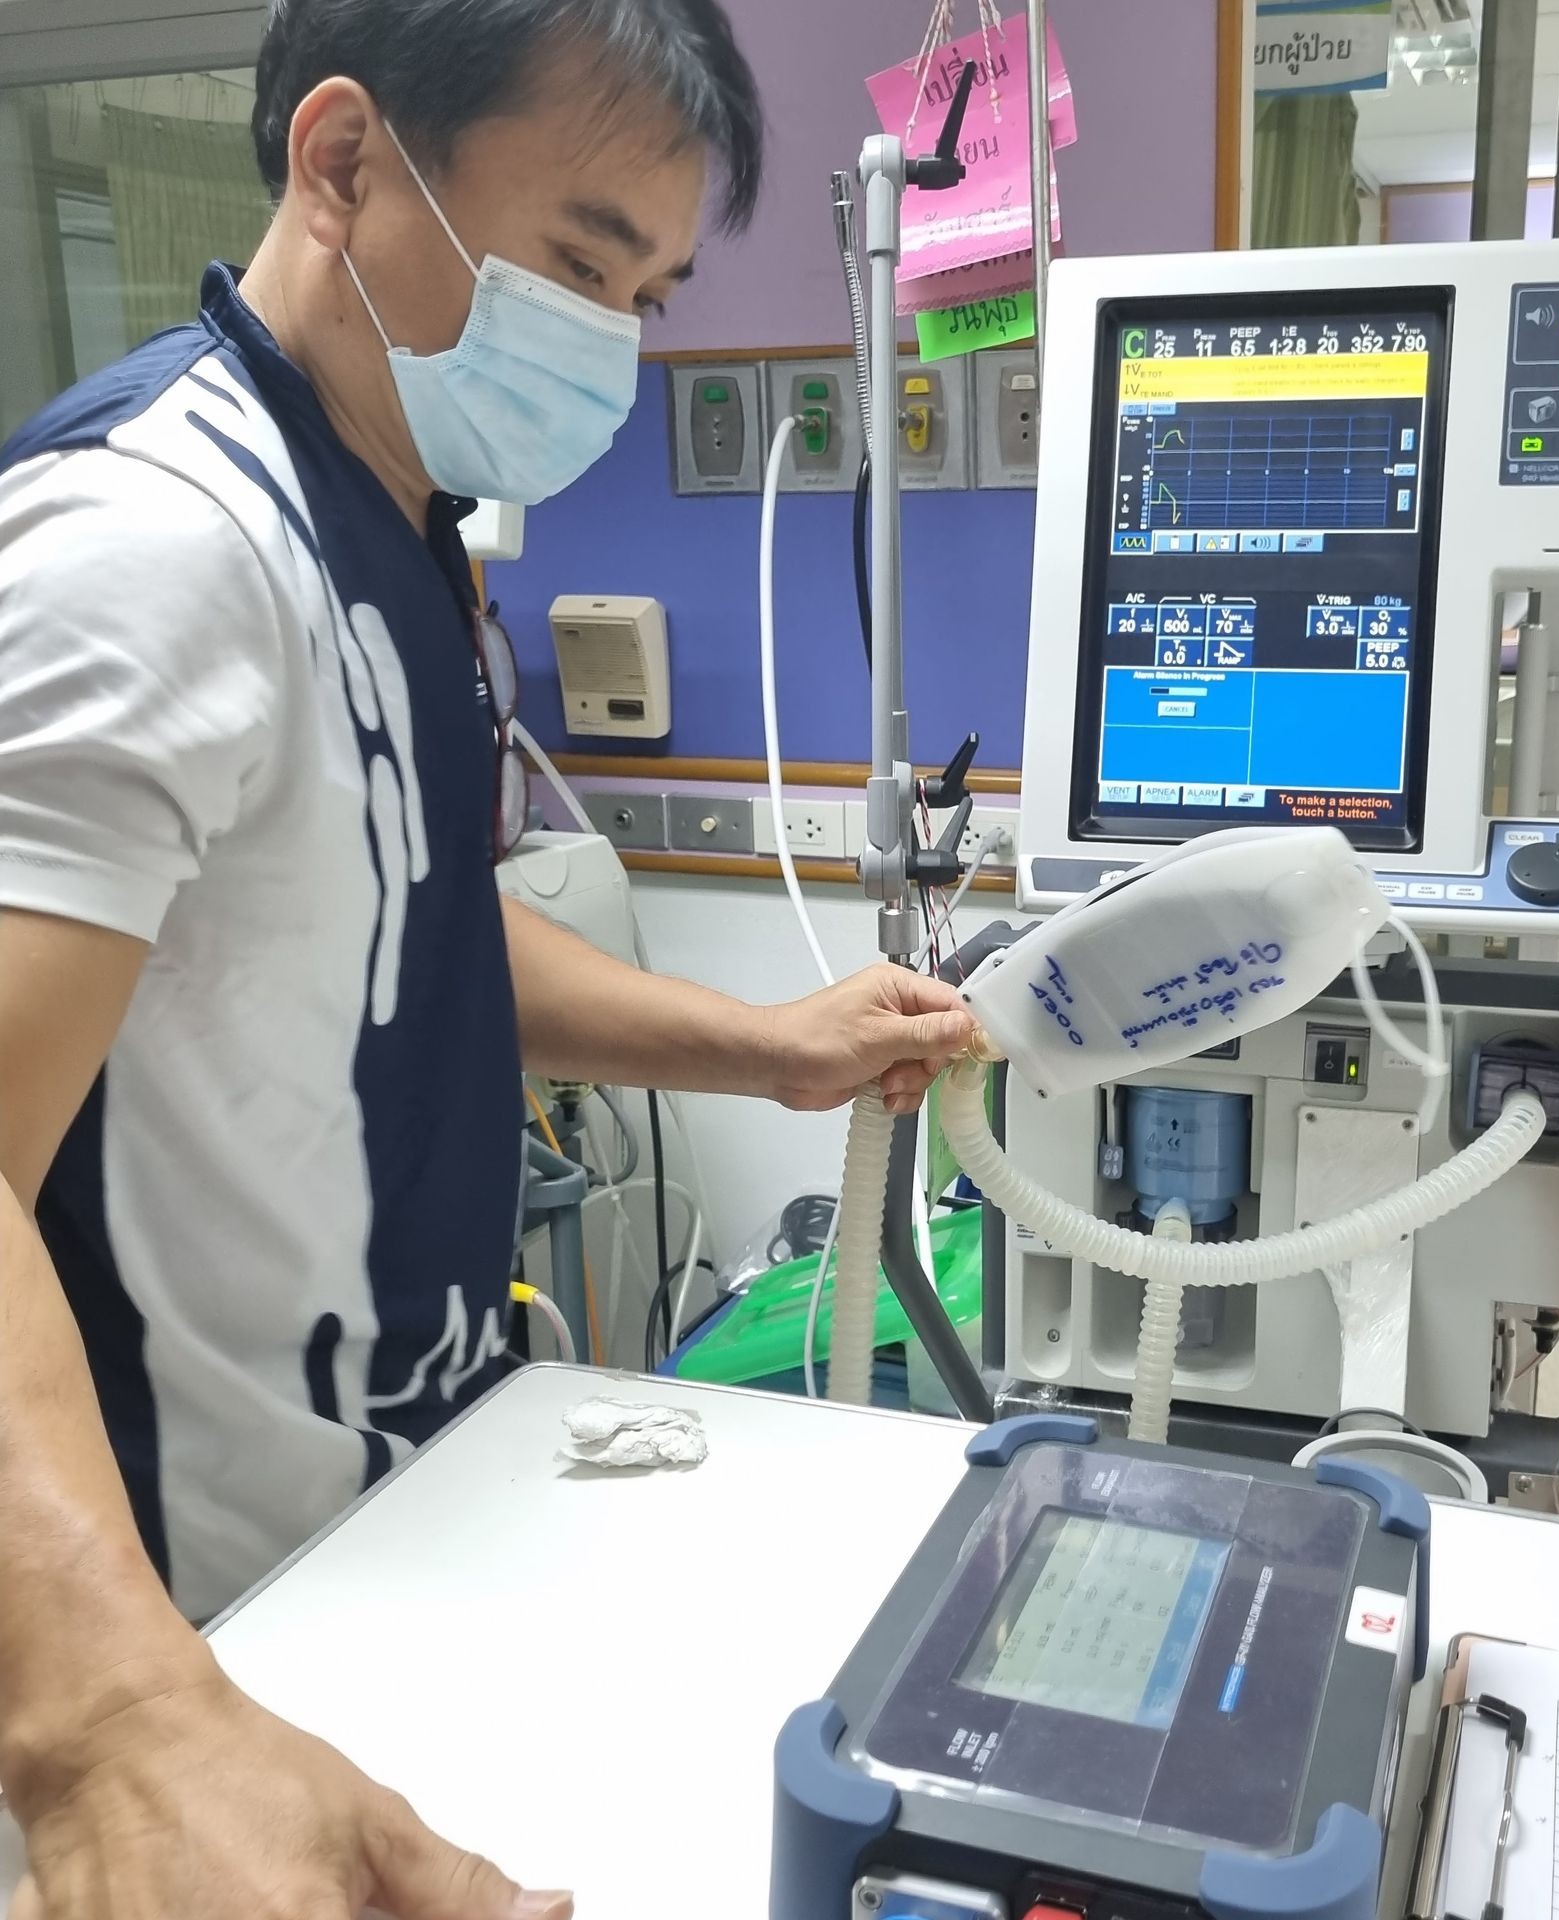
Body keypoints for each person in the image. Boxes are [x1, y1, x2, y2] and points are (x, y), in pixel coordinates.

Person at [0, 1, 975, 1912]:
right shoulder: (152, 542)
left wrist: (770, 1046)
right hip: (182, 1654)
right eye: (577, 262)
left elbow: (406, 917)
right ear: (347, 163)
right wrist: (105, 1720)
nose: (607, 342)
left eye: (652, 295)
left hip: (386, 1534)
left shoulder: (406, 535)